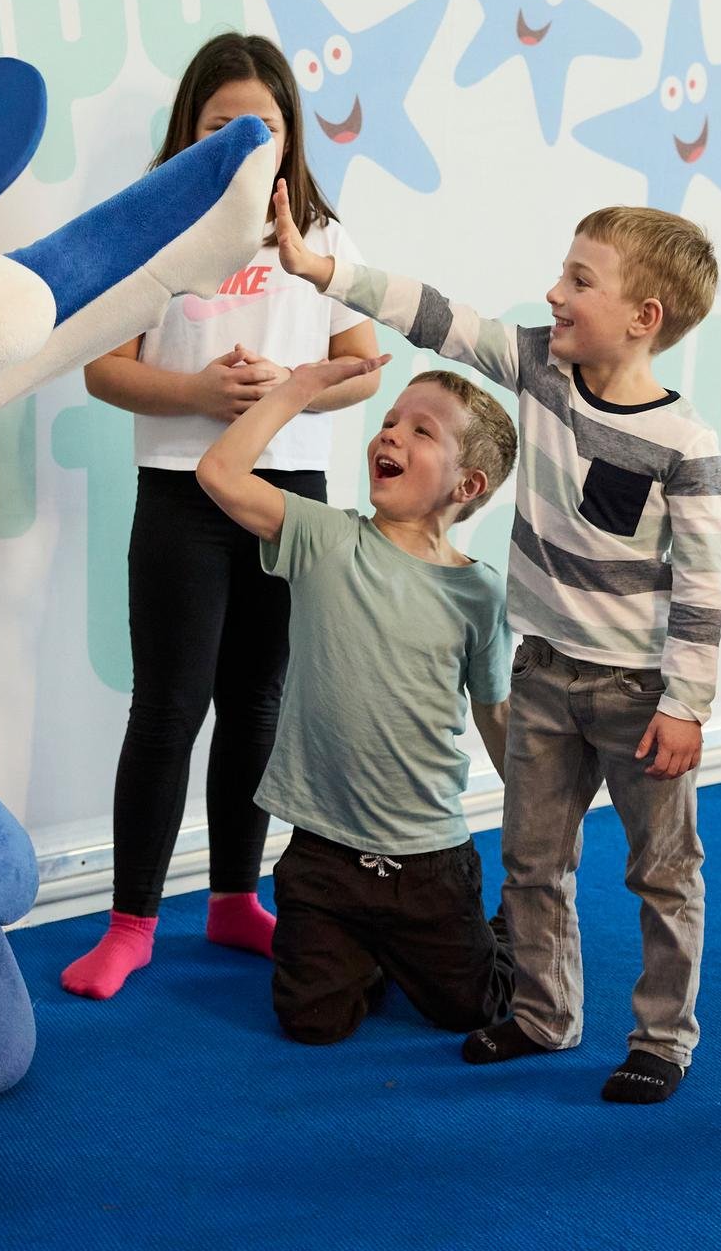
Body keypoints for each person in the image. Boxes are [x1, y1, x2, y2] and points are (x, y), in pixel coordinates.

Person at [275, 190, 721, 1103]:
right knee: (532, 860)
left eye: (578, 280)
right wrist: (324, 271)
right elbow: (438, 315)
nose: (553, 292)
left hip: (639, 694)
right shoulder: (537, 371)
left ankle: (663, 1038)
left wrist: (686, 704)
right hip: (545, 677)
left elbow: (704, 588)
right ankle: (544, 1013)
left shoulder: (686, 445)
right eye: (563, 271)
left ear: (644, 319)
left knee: (663, 872)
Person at [62, 34, 380, 1001]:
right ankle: (131, 923)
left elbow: (365, 366)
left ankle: (237, 899)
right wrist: (201, 391)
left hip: (290, 501)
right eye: (222, 127)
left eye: (267, 126)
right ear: (190, 134)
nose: (247, 142)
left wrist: (283, 391)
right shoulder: (152, 234)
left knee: (259, 704)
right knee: (168, 708)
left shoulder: (323, 236)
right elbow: (101, 368)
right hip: (183, 495)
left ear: (292, 134)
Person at [196, 355, 517, 1045]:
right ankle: (368, 954)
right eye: (390, 421)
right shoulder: (324, 538)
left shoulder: (479, 593)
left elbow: (494, 709)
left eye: (422, 431)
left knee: (473, 1009)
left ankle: (510, 922)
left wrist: (536, 813)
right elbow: (219, 473)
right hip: (322, 857)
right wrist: (301, 389)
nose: (391, 436)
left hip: (428, 860)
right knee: (312, 1022)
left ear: (469, 484)